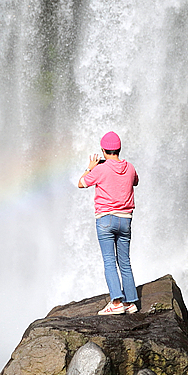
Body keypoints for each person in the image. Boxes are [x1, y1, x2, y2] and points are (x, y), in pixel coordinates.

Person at [78, 131, 139, 315]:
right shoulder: (130, 167)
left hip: (105, 219)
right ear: (119, 149)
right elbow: (135, 182)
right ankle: (131, 302)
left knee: (109, 261)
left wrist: (90, 167)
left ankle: (116, 302)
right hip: (125, 220)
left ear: (103, 150)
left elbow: (81, 183)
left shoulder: (100, 169)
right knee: (125, 261)